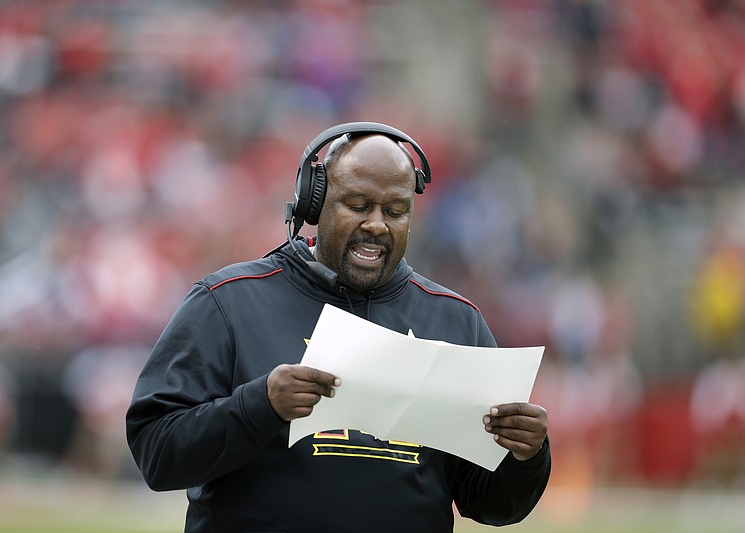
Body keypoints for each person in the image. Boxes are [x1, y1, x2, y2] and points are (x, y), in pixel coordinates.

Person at [126, 122, 550, 533]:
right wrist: (259, 405)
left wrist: (525, 457)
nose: (377, 224)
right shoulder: (228, 301)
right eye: (358, 205)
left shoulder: (456, 321)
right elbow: (157, 454)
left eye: (396, 210)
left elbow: (490, 504)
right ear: (315, 203)